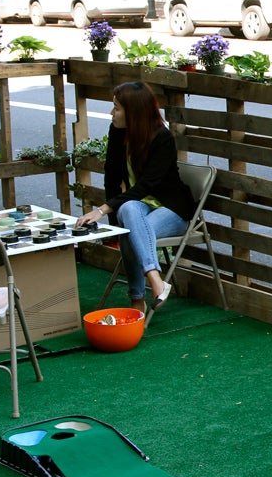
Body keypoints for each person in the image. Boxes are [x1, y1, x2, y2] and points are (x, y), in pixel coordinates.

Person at [76, 81, 194, 312]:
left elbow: (147, 185)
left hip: (172, 209)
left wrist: (101, 210)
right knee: (129, 211)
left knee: (131, 233)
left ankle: (138, 297)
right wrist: (113, 226)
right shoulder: (118, 131)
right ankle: (156, 282)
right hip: (138, 208)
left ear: (134, 112)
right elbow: (111, 176)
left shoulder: (162, 138)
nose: (112, 113)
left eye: (117, 108)